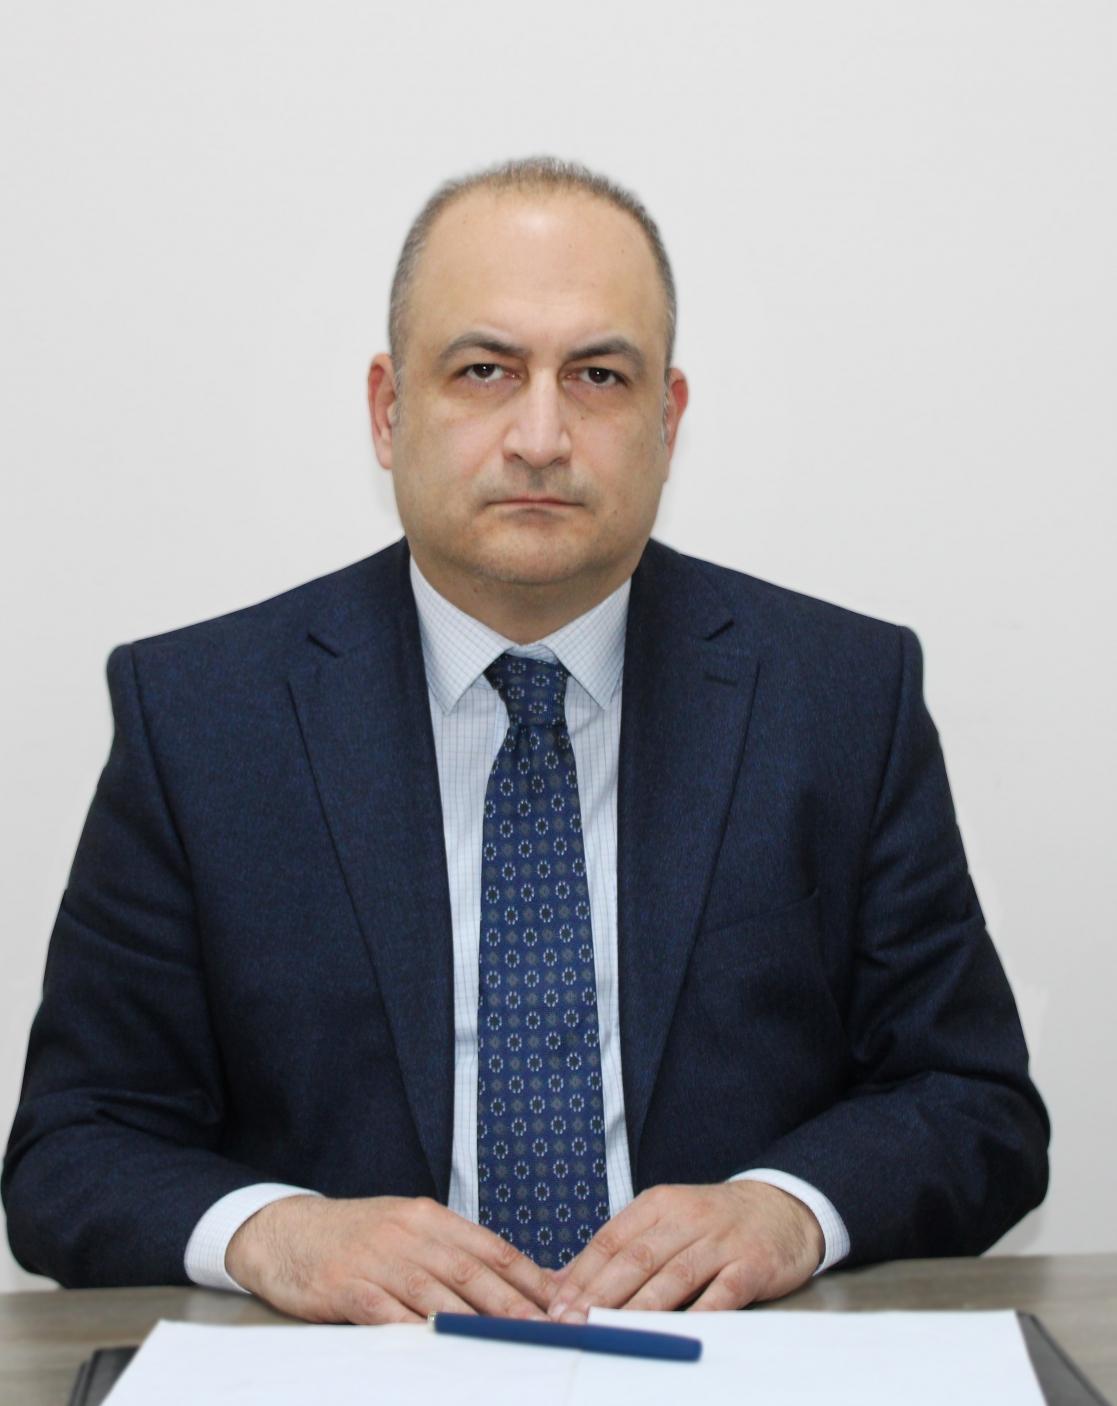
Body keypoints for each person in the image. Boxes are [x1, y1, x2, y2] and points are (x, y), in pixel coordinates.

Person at [3, 157, 1048, 1325]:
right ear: (388, 409)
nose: (541, 436)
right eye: (484, 370)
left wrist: (786, 1209)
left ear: (668, 417)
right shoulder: (202, 716)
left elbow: (976, 1103)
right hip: (355, 1374)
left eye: (598, 375)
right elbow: (72, 1148)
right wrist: (275, 1233)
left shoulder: (839, 696)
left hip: (723, 1365)